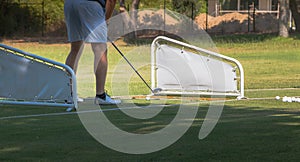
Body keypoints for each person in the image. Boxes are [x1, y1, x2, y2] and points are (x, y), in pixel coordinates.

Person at [64, 0, 121, 105]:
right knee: (100, 49)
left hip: (70, 4)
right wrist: (106, 20)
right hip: (90, 4)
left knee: (75, 49)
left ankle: (69, 94)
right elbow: (111, 1)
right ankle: (100, 95)